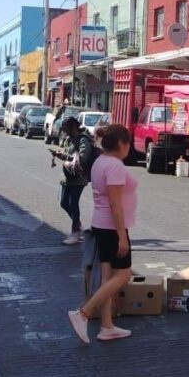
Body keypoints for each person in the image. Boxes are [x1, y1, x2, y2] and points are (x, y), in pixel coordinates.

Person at [69, 124, 138, 344]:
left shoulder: (100, 161)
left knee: (107, 277)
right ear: (121, 143)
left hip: (100, 224)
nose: (129, 147)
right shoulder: (115, 166)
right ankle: (84, 313)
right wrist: (121, 236)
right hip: (111, 227)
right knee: (123, 275)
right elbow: (115, 205)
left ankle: (107, 326)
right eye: (128, 143)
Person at [52, 117, 95, 245]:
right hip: (67, 176)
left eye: (65, 128)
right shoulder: (69, 139)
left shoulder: (83, 140)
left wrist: (63, 156)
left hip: (78, 177)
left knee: (73, 203)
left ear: (73, 127)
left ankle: (75, 232)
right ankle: (78, 224)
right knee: (63, 202)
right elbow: (68, 154)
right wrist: (60, 154)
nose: (64, 131)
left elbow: (82, 159)